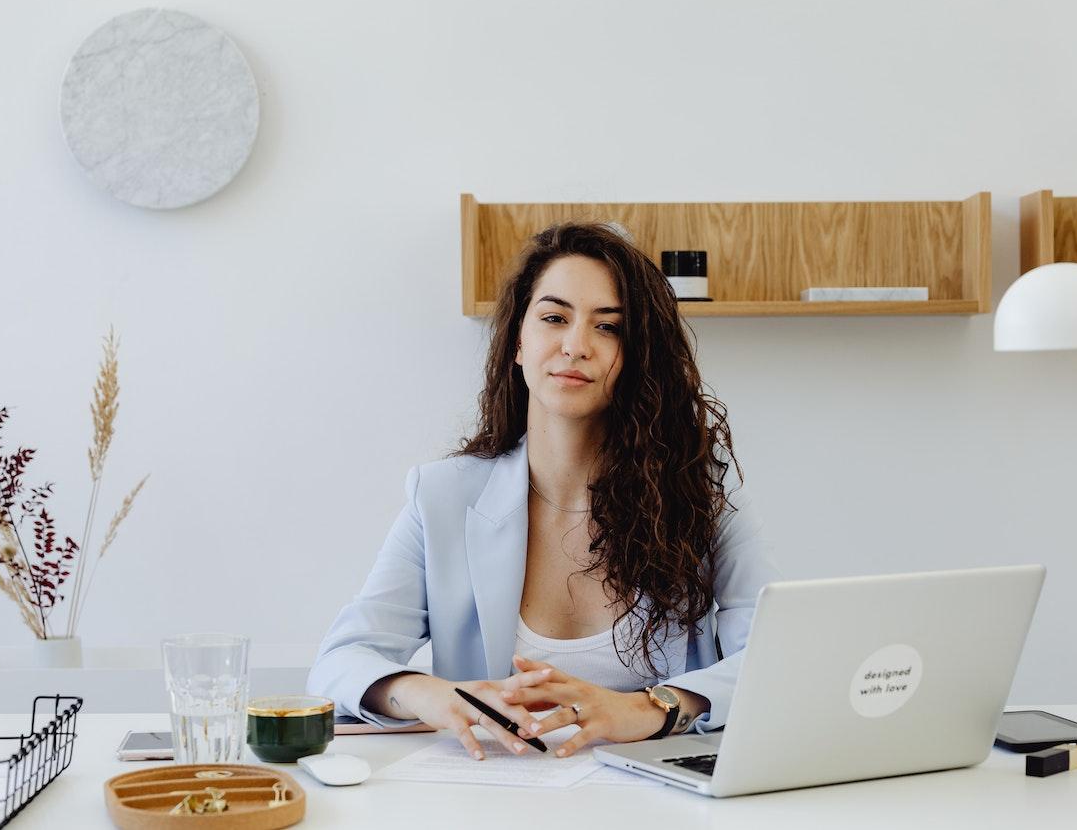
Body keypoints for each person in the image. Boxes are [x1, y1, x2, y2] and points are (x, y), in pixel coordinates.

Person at [307, 222, 776, 760]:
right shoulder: (441, 497)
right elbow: (341, 659)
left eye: (609, 328)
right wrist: (430, 694)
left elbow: (773, 662)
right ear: (518, 343)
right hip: (493, 797)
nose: (575, 346)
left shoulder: (704, 501)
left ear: (638, 356)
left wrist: (652, 707)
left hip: (658, 796)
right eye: (555, 318)